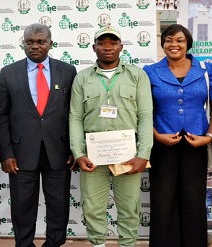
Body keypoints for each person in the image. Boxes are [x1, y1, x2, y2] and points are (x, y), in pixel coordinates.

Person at [69, 25, 153, 247]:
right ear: (93, 47)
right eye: (102, 43)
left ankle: (127, 244)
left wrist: (143, 154)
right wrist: (78, 153)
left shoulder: (137, 76)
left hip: (127, 155)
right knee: (93, 207)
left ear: (121, 47)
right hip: (92, 156)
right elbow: (75, 117)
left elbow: (145, 116)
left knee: (129, 207)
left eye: (113, 43)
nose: (107, 47)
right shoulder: (82, 78)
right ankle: (97, 243)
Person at [0, 23, 76, 247]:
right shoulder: (8, 73)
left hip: (59, 151)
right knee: (22, 205)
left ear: (51, 43)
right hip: (20, 153)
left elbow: (73, 113)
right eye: (29, 42)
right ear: (23, 43)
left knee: (58, 204)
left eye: (40, 41)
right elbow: (1, 116)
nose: (35, 46)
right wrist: (6, 153)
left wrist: (74, 149)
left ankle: (54, 243)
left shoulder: (67, 71)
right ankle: (24, 244)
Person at [142, 24, 212, 247]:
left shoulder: (206, 69)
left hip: (195, 143)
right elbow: (142, 110)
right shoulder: (150, 71)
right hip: (162, 143)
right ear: (163, 44)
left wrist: (209, 136)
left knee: (193, 200)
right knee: (162, 200)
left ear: (188, 43)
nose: (173, 44)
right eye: (168, 40)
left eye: (179, 40)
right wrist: (156, 135)